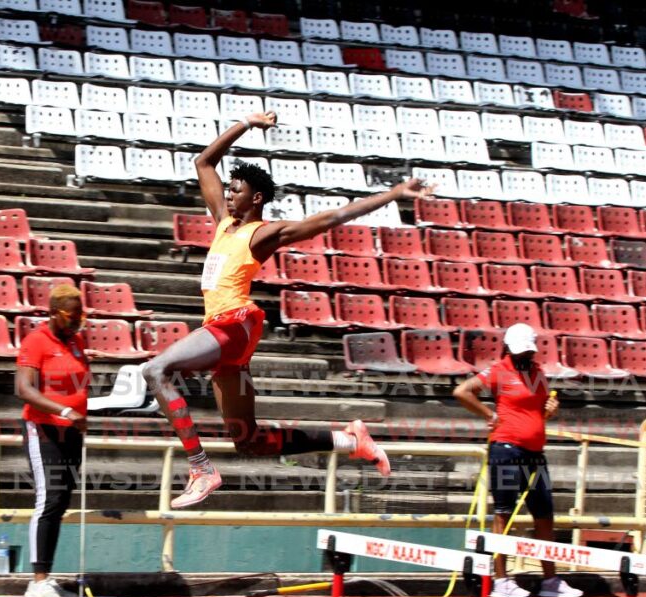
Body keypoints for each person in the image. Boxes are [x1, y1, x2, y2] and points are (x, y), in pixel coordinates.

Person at [141, 111, 433, 509]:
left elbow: (332, 218)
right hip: (225, 336)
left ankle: (200, 467)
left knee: (155, 370)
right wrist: (246, 123)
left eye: (236, 190)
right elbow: (203, 162)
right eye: (227, 189)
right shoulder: (224, 224)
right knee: (250, 441)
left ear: (255, 198)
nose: (227, 194)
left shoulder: (264, 235)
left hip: (234, 326)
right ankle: (350, 439)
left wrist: (394, 194)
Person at [454, 323, 583, 597]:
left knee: (545, 515)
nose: (524, 356)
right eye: (519, 352)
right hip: (506, 451)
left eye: (528, 352)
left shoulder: (537, 373)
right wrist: (488, 414)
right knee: (504, 513)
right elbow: (462, 391)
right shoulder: (499, 371)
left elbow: (537, 412)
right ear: (509, 349)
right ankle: (501, 579)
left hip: (535, 454)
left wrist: (550, 410)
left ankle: (550, 580)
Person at [15, 284, 90, 597]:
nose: (77, 322)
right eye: (72, 317)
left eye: (80, 315)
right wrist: (63, 410)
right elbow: (24, 389)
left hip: (72, 431)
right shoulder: (36, 341)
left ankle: (49, 574)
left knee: (61, 503)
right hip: (44, 429)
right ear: (55, 313)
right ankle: (38, 581)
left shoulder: (76, 342)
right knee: (49, 499)